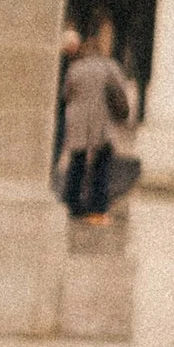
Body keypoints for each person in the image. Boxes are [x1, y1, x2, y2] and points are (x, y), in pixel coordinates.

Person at [59, 19, 132, 222]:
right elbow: (120, 92)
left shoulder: (76, 68)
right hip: (101, 123)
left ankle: (73, 203)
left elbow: (66, 94)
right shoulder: (110, 67)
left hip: (78, 122)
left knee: (77, 162)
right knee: (101, 166)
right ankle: (97, 207)